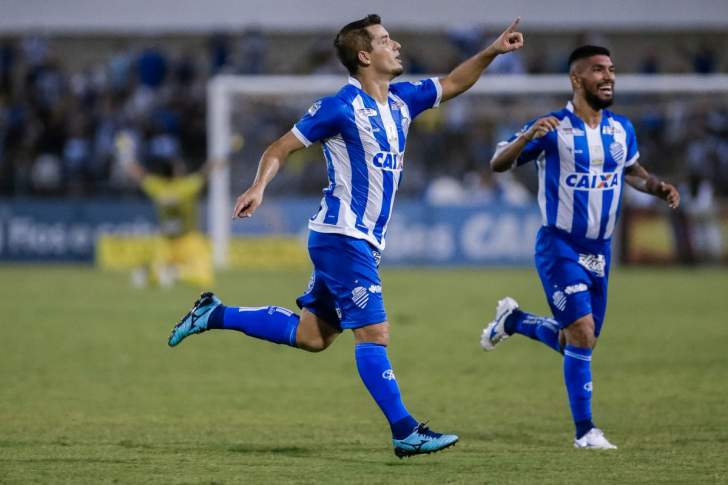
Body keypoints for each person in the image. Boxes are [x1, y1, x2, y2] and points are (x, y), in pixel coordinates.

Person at [168, 14, 524, 457]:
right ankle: (405, 431)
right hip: (341, 236)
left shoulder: (403, 101)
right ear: (364, 55)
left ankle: (214, 313)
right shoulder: (339, 107)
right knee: (374, 333)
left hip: (360, 241)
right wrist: (259, 186)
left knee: (312, 337)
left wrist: (492, 51)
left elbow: (454, 82)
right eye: (385, 40)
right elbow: (280, 147)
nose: (396, 45)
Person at [481, 45, 680, 450]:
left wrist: (655, 186)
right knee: (582, 333)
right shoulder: (553, 127)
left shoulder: (621, 129)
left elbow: (631, 170)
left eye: (611, 69)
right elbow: (498, 162)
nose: (609, 77)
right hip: (560, 244)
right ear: (576, 79)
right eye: (598, 70)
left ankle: (514, 321)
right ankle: (585, 431)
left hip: (600, 251)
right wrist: (527, 137)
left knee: (575, 341)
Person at [122, 143, 213, 289]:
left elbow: (139, 174)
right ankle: (175, 272)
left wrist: (125, 152)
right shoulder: (187, 186)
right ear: (177, 172)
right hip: (188, 240)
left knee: (157, 271)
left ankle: (149, 272)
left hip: (165, 242)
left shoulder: (157, 186)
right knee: (204, 277)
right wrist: (223, 155)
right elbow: (205, 172)